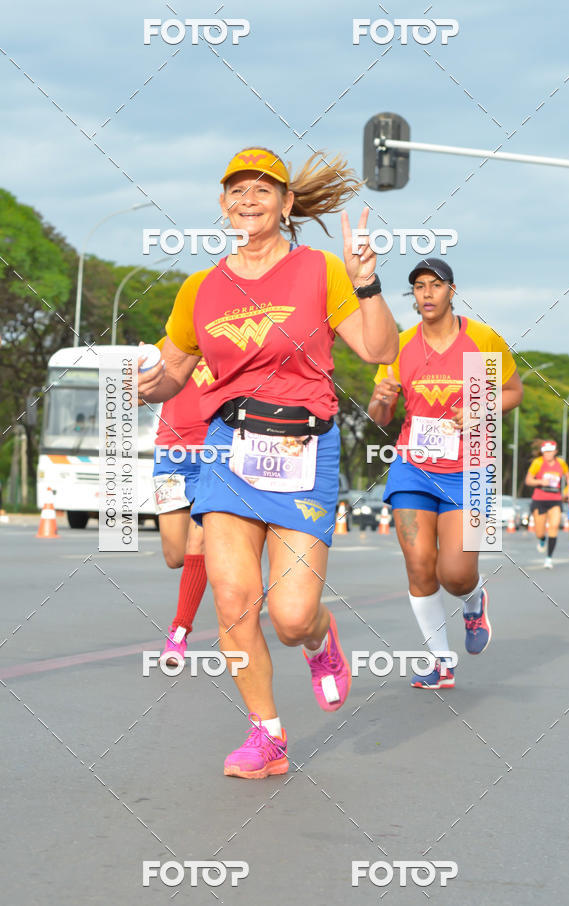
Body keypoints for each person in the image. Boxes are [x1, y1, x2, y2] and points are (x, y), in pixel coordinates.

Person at [138, 147, 398, 778]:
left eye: (262, 189)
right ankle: (267, 734)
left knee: (291, 617)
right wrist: (144, 384)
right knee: (233, 598)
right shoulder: (200, 288)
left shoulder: (320, 270)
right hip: (228, 449)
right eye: (236, 190)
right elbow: (173, 373)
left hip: (304, 448)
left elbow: (378, 348)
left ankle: (320, 637)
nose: (247, 199)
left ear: (286, 204)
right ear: (222, 204)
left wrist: (366, 282)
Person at [368, 258, 522, 690]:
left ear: (451, 291)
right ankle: (440, 661)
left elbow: (513, 392)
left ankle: (474, 601)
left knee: (454, 574)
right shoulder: (399, 346)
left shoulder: (481, 339)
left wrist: (481, 408)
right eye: (419, 286)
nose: (427, 293)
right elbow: (381, 417)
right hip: (412, 467)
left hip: (470, 467)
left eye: (435, 285)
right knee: (419, 566)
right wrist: (380, 399)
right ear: (413, 295)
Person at [151, 348, 214, 666]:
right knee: (176, 556)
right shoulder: (169, 344)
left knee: (198, 543)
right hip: (170, 455)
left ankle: (178, 633)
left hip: (216, 453)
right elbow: (140, 394)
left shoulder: (230, 338)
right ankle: (237, 562)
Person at [525, 440, 569, 568]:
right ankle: (542, 539)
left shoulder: (561, 463)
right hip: (539, 500)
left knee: (554, 527)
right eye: (545, 452)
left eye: (550, 451)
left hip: (555, 499)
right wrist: (540, 482)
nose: (547, 454)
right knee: (540, 532)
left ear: (555, 452)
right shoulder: (538, 462)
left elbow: (568, 477)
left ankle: (549, 558)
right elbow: (528, 480)